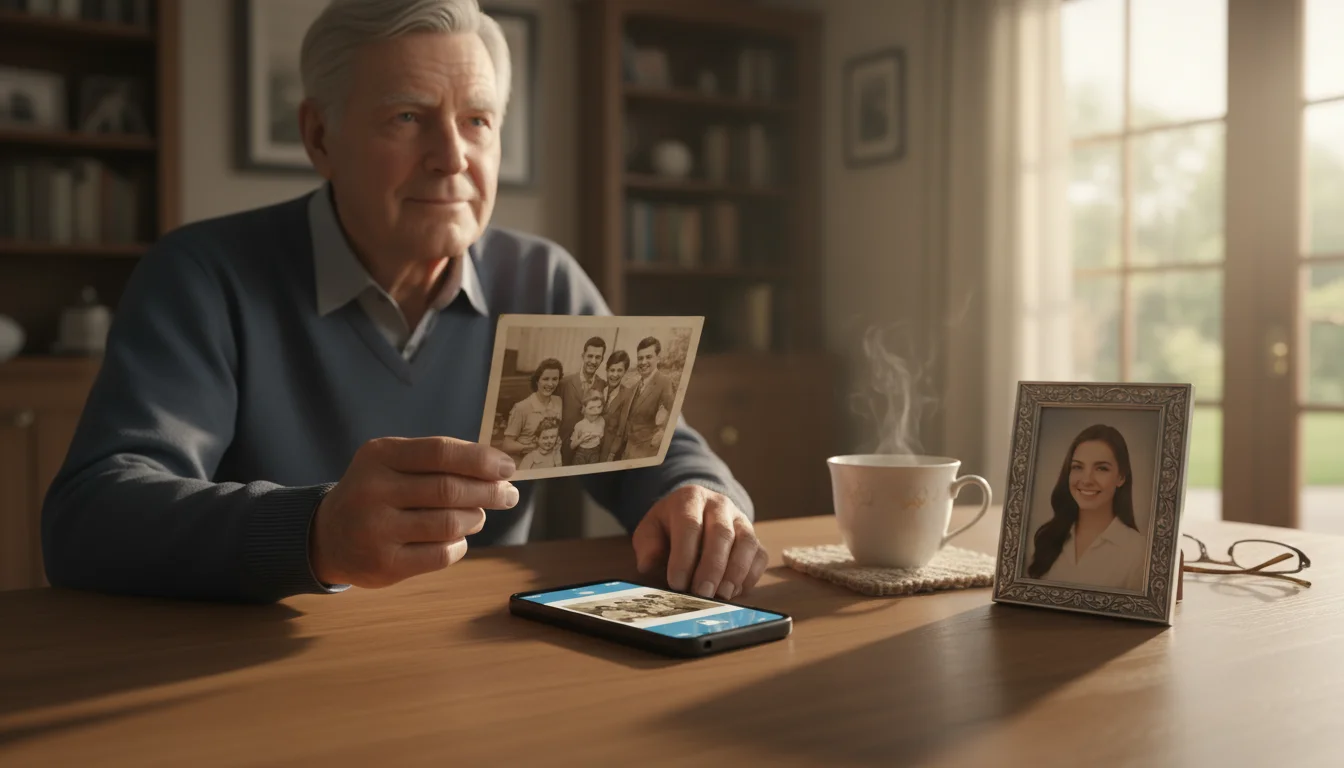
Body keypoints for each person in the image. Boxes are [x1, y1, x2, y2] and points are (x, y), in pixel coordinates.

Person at [39, 0, 765, 605]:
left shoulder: (542, 279)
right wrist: (313, 533)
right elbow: (90, 518)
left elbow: (656, 449)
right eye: (409, 118)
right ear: (319, 136)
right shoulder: (203, 275)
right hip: (256, 672)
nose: (452, 157)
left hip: (482, 661)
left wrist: (698, 494)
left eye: (477, 120)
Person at [1026, 424, 1147, 591]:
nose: (1087, 479)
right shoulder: (1046, 538)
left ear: (1121, 477)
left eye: (1101, 468)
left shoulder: (1139, 552)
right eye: (1077, 467)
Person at [620, 337, 676, 460]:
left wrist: (661, 435)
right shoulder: (634, 387)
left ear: (658, 358)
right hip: (627, 452)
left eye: (648, 357)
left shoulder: (664, 382)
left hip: (646, 453)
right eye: (640, 358)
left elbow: (672, 416)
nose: (643, 362)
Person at [500, 358, 563, 464]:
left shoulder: (558, 402)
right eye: (546, 379)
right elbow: (506, 445)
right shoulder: (521, 408)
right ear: (537, 380)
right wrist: (531, 447)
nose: (550, 384)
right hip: (525, 463)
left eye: (555, 379)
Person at [558, 336, 607, 464]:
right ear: (583, 356)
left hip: (590, 452)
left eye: (598, 357)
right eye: (590, 356)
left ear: (602, 359)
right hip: (565, 447)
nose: (593, 360)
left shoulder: (603, 385)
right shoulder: (565, 383)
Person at [600, 350, 632, 461]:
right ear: (607, 370)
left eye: (619, 370)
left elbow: (621, 430)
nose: (615, 374)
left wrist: (612, 454)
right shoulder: (600, 389)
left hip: (609, 450)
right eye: (612, 370)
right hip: (592, 447)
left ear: (625, 372)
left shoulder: (627, 395)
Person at [568, 391, 606, 466]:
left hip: (595, 452)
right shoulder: (579, 425)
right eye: (591, 408)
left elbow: (601, 436)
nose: (596, 411)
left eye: (599, 407)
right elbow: (572, 446)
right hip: (581, 453)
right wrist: (581, 439)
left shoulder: (602, 421)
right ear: (584, 408)